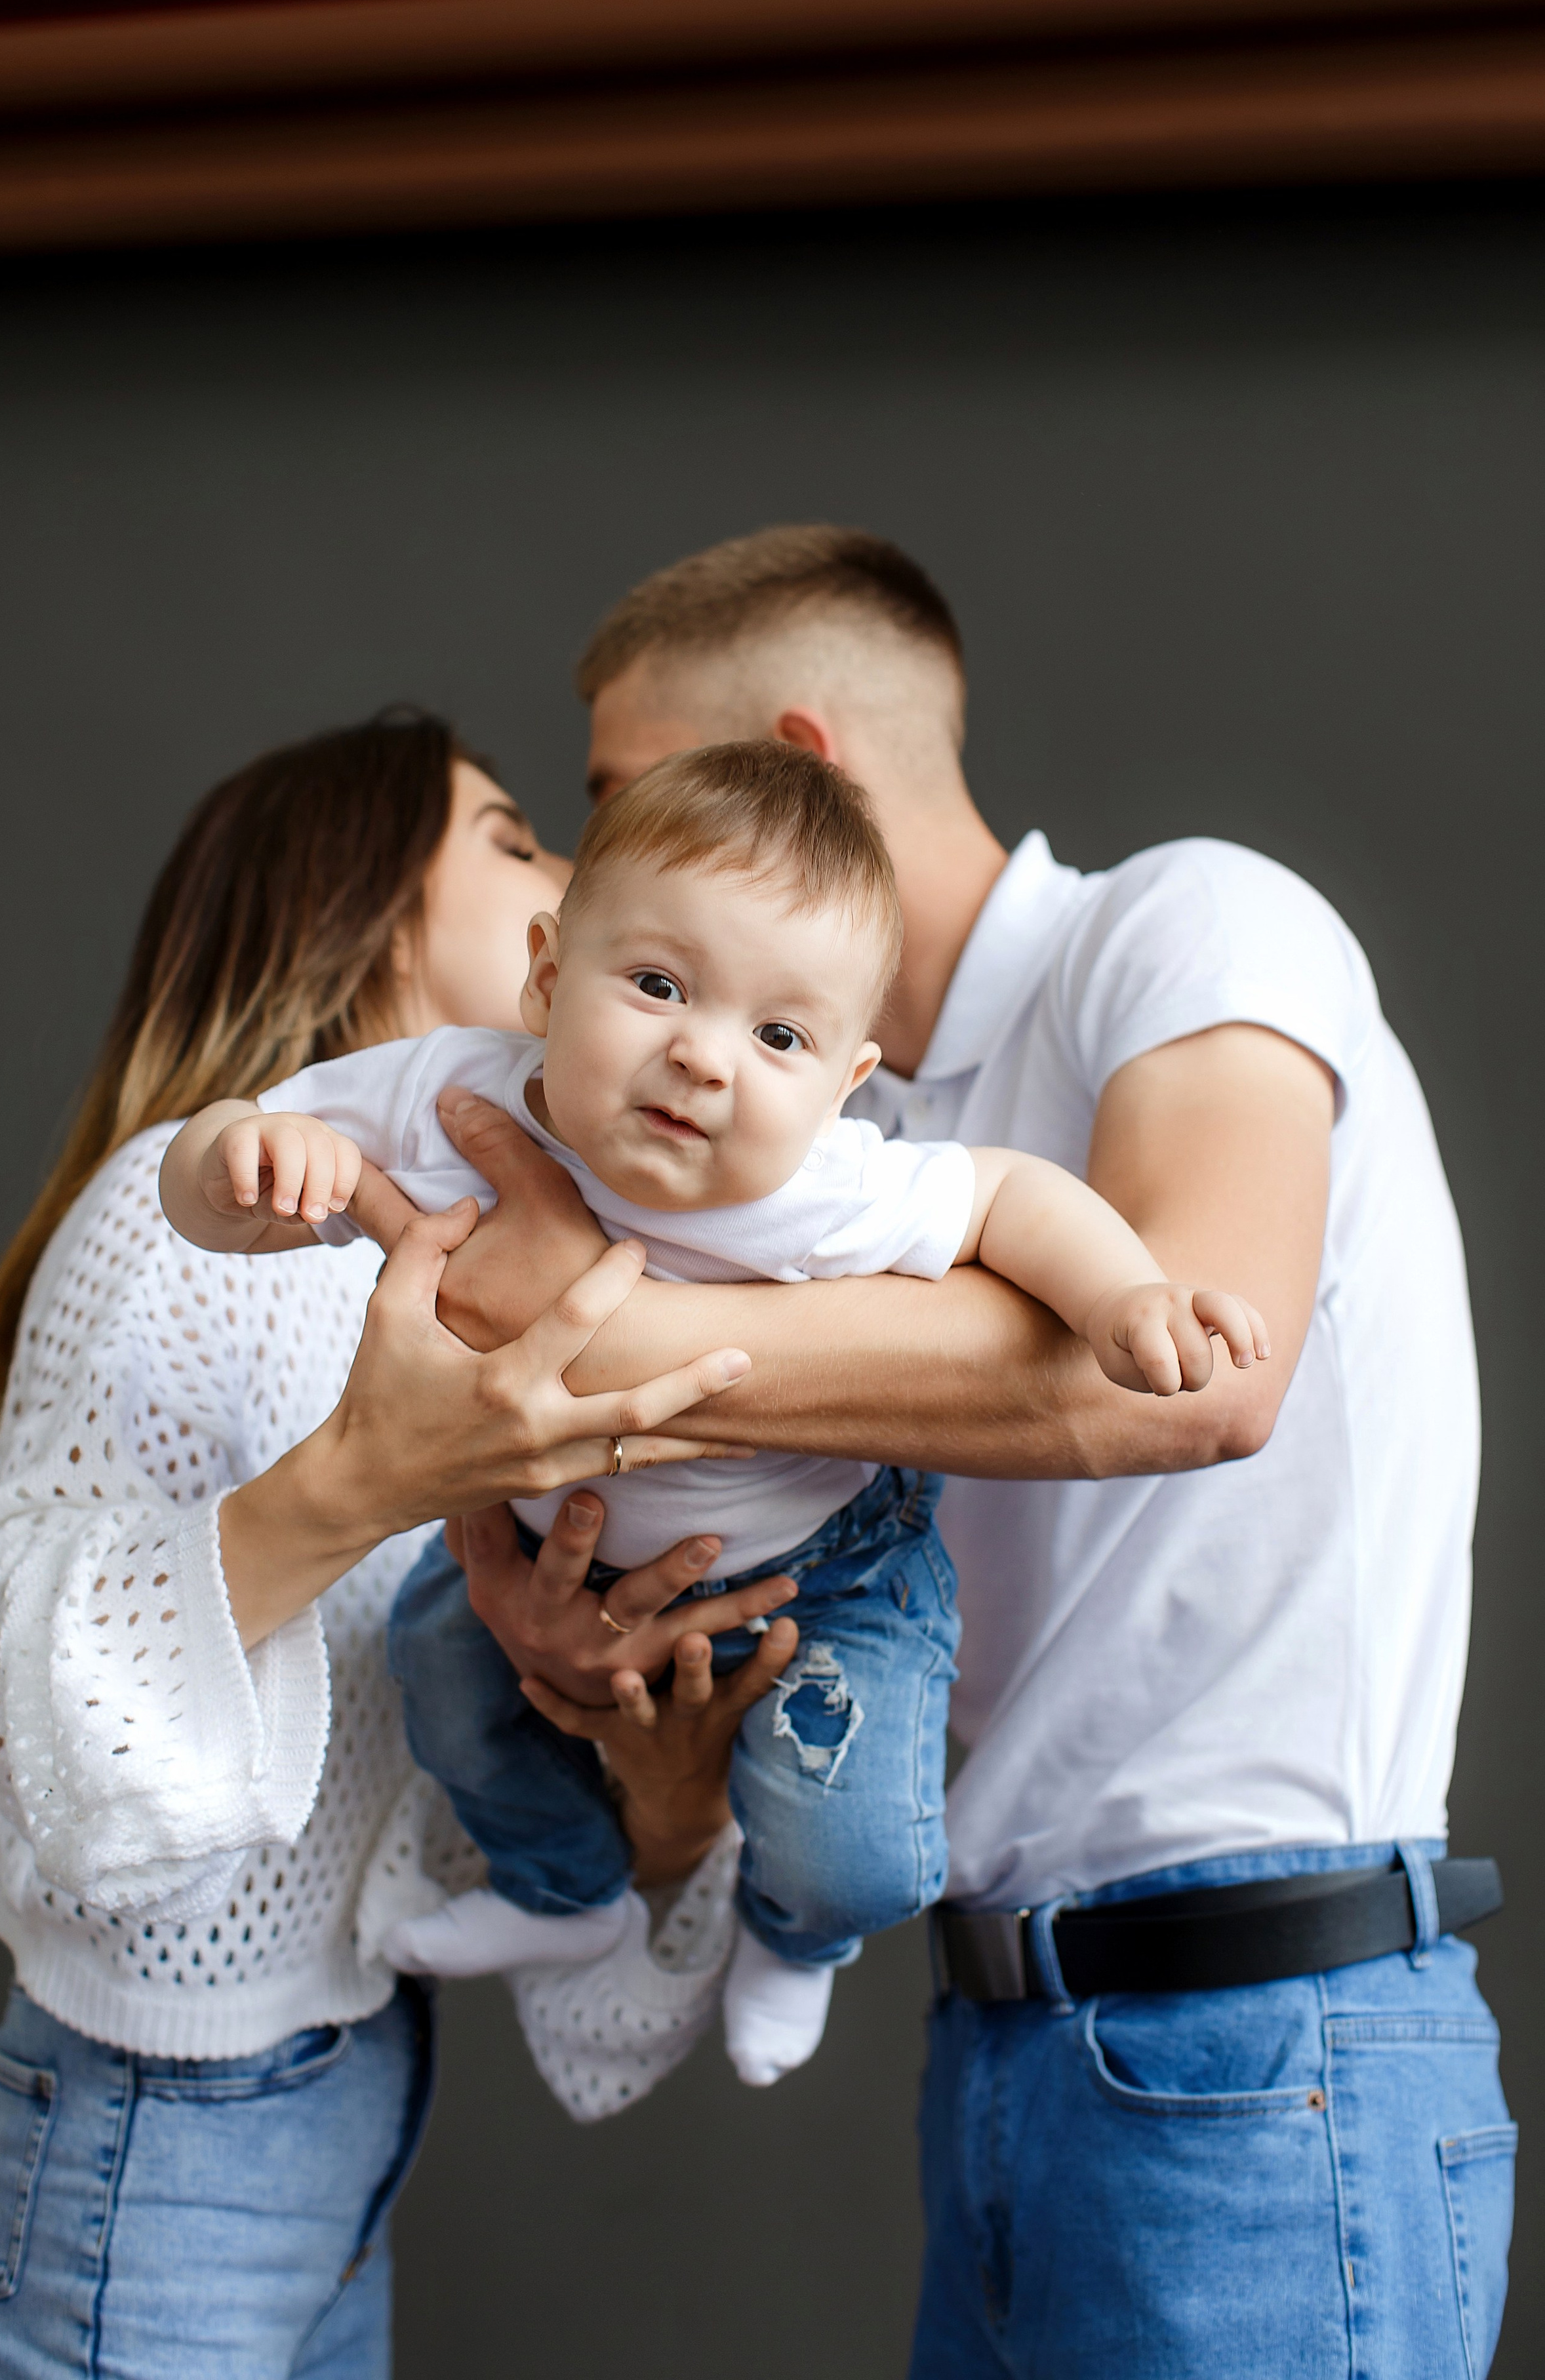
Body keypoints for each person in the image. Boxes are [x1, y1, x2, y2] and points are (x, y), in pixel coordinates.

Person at [415, 529, 1512, 2378]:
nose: (606, 861)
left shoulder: (1187, 926)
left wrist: (587, 1357)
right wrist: (593, 1641)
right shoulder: (829, 1149)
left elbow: (1194, 1369)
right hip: (1009, 2037)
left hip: (1256, 2045)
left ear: (799, 762)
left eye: (619, 791)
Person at [0, 709, 804, 2380]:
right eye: (518, 838)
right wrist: (376, 1473)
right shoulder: (190, 1214)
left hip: (341, 2158)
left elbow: (594, 2027)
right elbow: (58, 1786)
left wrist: (638, 1767)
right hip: (140, 2185)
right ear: (378, 914)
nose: (579, 875)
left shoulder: (523, 1297)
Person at [161, 740, 1266, 2088]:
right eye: (655, 986)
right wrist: (250, 1160)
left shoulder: (820, 1186)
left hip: (823, 1573)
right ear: (547, 977)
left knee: (847, 1849)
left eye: (778, 1036)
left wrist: (1121, 1301)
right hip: (543, 1545)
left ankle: (797, 1942)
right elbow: (213, 1169)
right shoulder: (454, 1091)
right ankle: (562, 1897)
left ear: (843, 1082)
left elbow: (1004, 1201)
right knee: (446, 1699)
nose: (701, 1058)